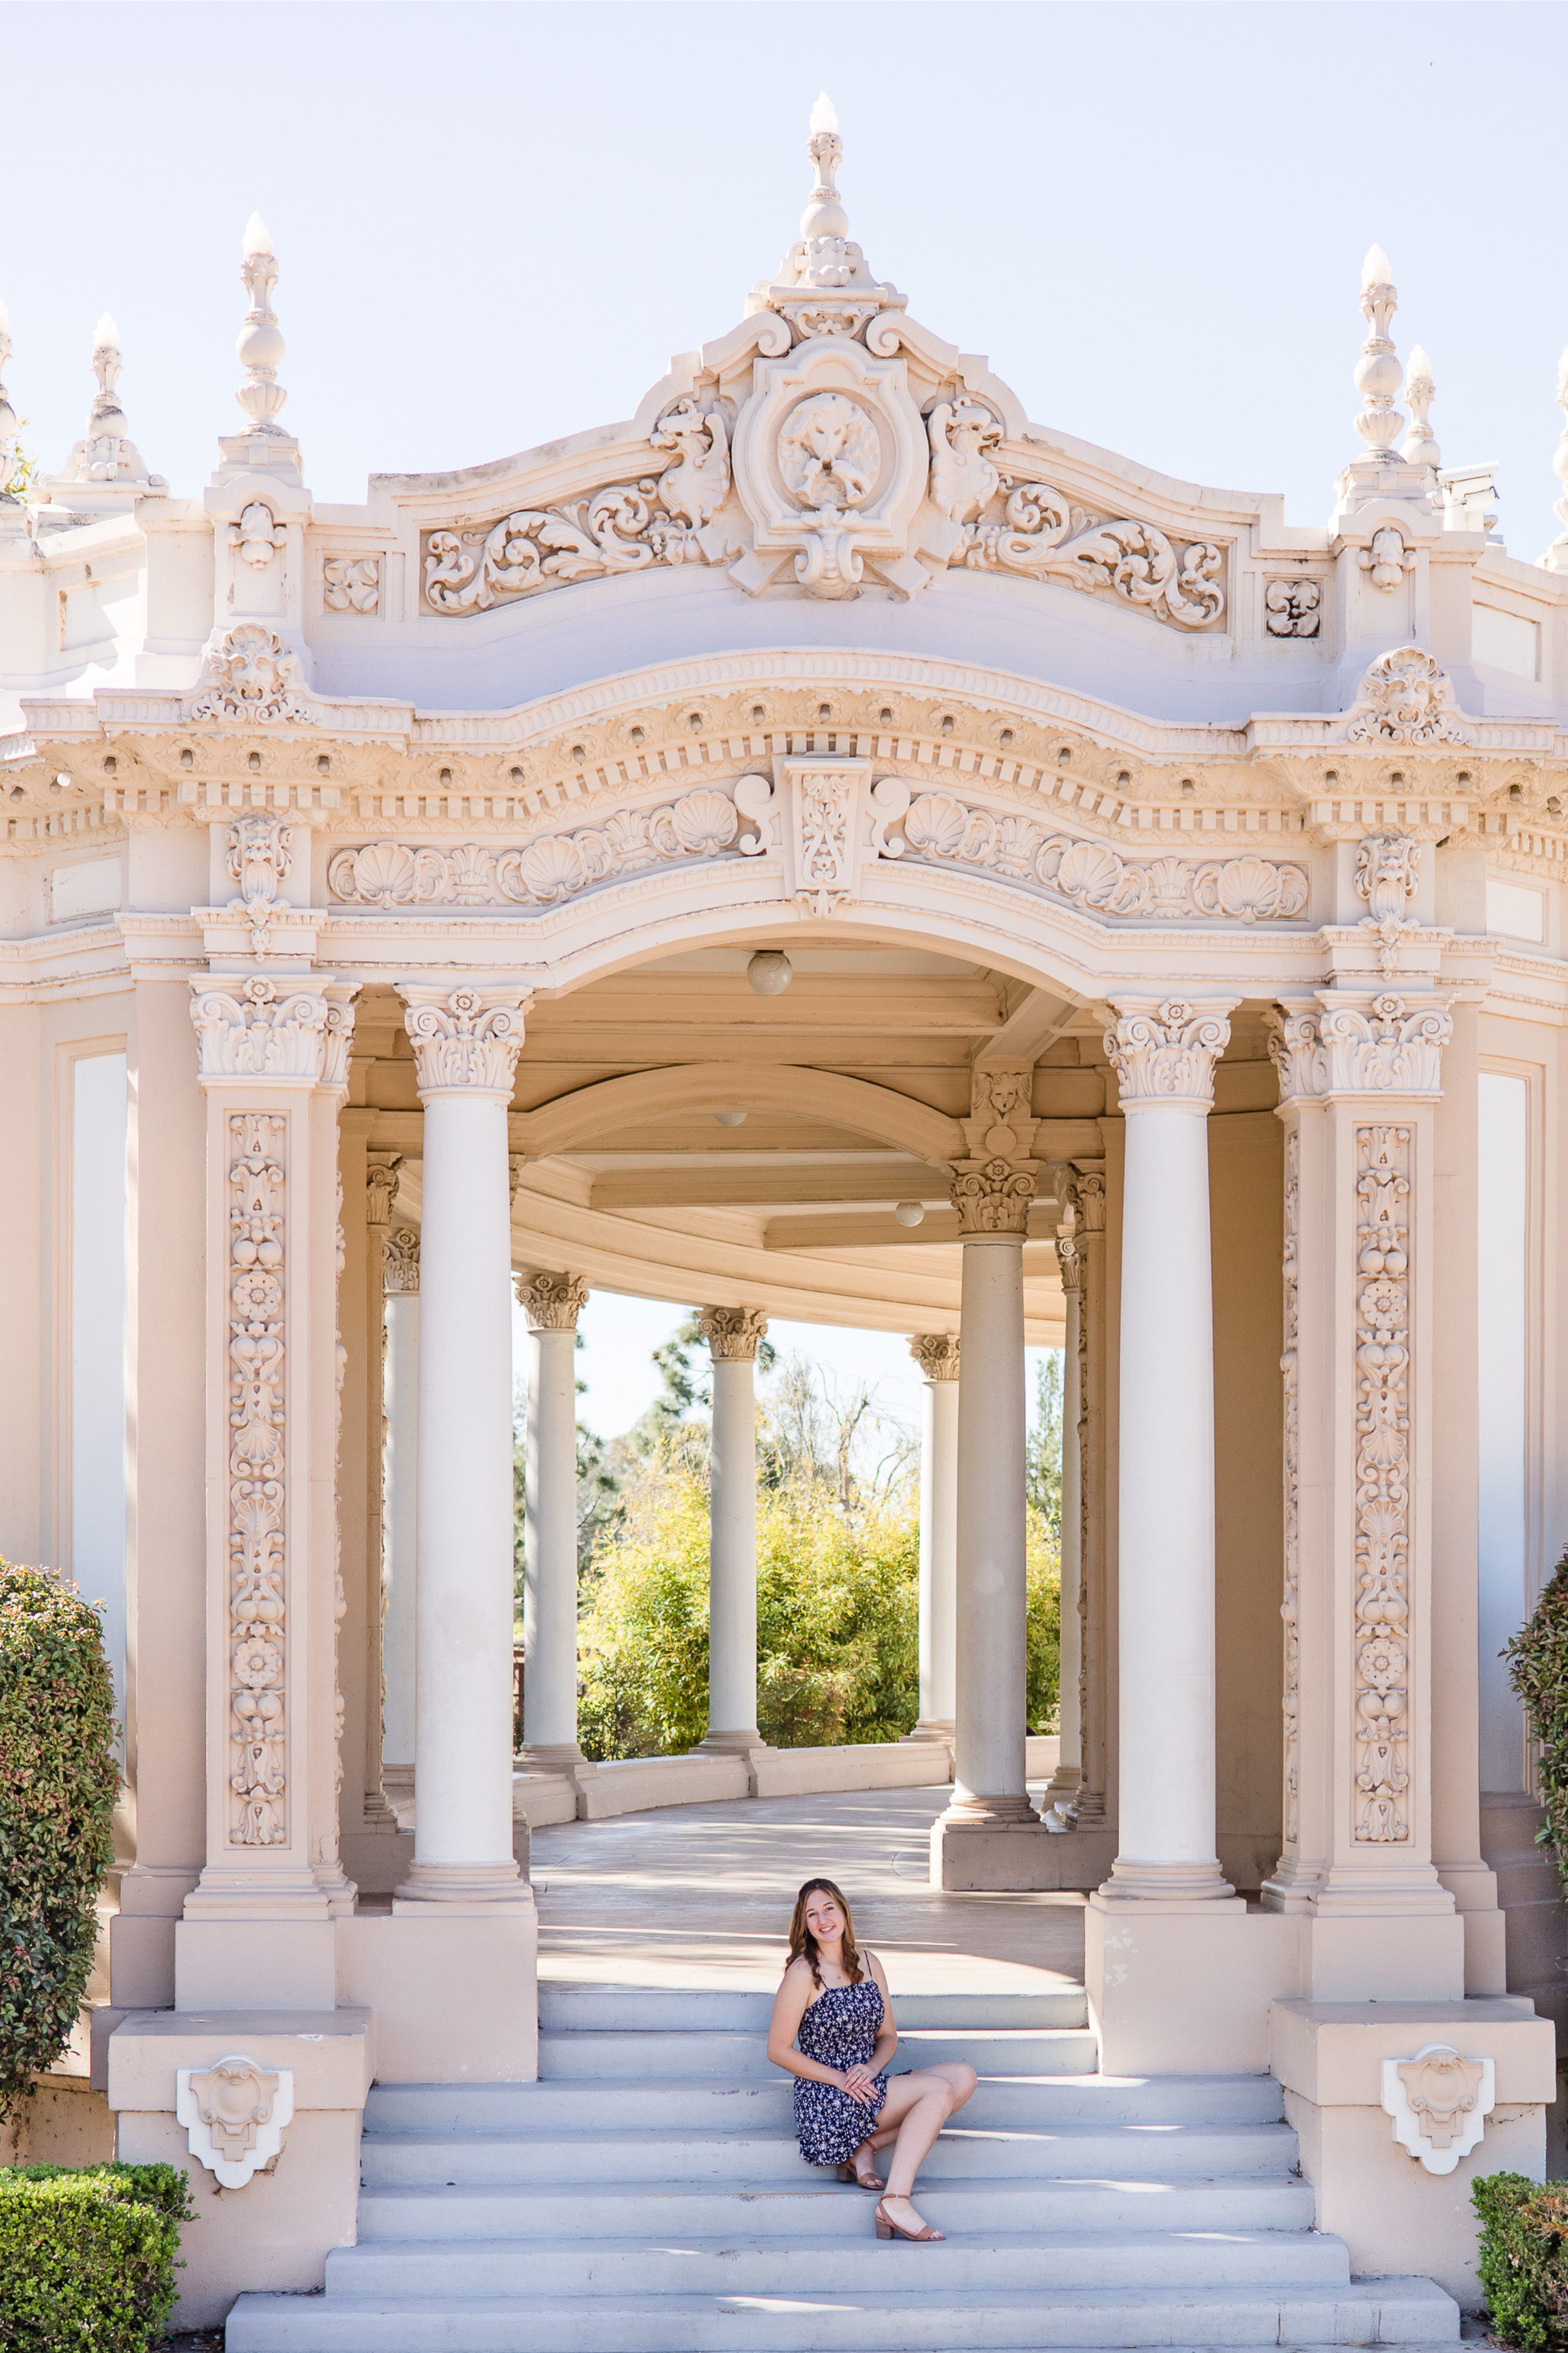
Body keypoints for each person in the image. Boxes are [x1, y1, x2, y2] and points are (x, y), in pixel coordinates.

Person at [765, 1875, 977, 2243]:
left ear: (844, 1912)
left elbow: (888, 2036)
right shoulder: (803, 1973)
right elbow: (778, 2049)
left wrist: (873, 2067)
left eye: (829, 1908)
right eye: (812, 1914)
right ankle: (895, 2201)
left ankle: (867, 2146)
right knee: (938, 2092)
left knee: (964, 2076)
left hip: (867, 2081)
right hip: (827, 2097)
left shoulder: (869, 1961)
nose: (823, 1919)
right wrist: (839, 2078)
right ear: (804, 1925)